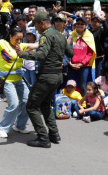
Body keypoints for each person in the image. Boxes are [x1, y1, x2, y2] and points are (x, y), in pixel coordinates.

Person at [16, 11, 74, 148]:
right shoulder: (60, 35)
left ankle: (43, 138)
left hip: (46, 76)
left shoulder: (45, 35)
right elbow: (71, 53)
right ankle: (54, 134)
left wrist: (23, 54)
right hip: (57, 76)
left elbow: (41, 55)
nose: (36, 28)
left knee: (31, 106)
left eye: (36, 25)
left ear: (42, 23)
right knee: (45, 104)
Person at [0, 26, 38, 138]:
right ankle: (2, 128)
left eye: (21, 39)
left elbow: (35, 45)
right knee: (14, 104)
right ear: (10, 36)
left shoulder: (22, 46)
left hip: (19, 80)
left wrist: (50, 38)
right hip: (7, 81)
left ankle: (20, 125)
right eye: (17, 39)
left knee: (27, 101)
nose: (19, 41)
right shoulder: (1, 44)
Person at [68, 16, 95, 94]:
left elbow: (90, 53)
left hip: (84, 66)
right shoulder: (70, 35)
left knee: (83, 85)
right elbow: (66, 50)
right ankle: (71, 103)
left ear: (85, 25)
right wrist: (70, 63)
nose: (79, 25)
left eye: (82, 24)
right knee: (70, 85)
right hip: (71, 65)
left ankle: (82, 104)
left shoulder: (89, 36)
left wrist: (81, 63)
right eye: (78, 24)